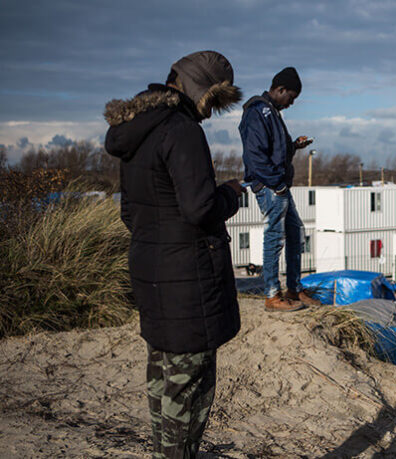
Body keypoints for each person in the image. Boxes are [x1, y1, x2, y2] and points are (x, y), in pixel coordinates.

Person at [104, 50, 243, 458]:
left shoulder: (137, 129)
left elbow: (129, 212)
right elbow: (200, 207)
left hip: (150, 268)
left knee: (163, 377)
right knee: (190, 387)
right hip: (189, 279)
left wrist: (160, 243)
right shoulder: (181, 130)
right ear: (199, 89)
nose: (210, 114)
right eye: (212, 102)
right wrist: (231, 195)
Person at [239, 67, 313, 312]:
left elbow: (276, 152)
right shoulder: (258, 111)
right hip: (271, 186)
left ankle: (294, 288)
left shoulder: (271, 112)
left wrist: (294, 146)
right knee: (275, 236)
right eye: (290, 97)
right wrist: (276, 184)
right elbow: (255, 156)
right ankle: (272, 294)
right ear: (280, 89)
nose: (291, 103)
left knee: (295, 230)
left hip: (277, 185)